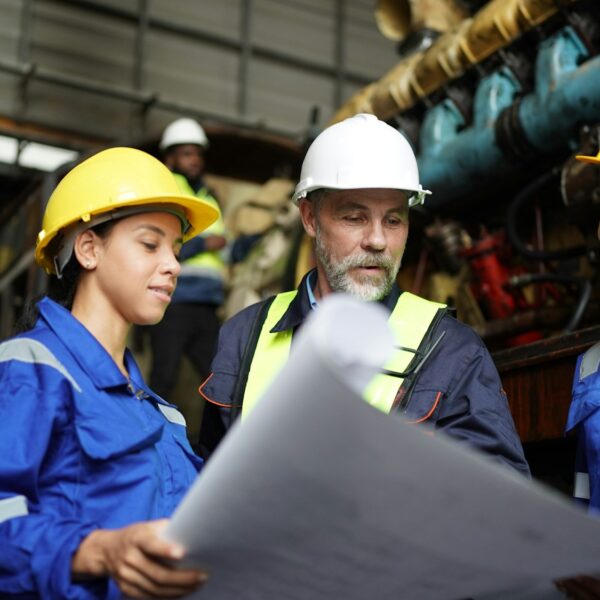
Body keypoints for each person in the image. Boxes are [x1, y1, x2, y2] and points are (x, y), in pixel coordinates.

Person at [198, 112, 530, 476]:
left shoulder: (452, 352)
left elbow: (493, 505)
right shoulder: (243, 337)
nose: (377, 241)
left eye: (393, 220)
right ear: (309, 217)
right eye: (354, 218)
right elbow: (206, 484)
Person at [0, 147, 219, 599]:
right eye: (149, 244)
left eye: (176, 250)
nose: (173, 264)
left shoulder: (165, 416)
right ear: (88, 248)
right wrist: (97, 551)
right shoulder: (30, 370)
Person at [148, 118, 227, 446]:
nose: (193, 159)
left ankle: (214, 445)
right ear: (170, 159)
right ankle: (149, 441)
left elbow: (224, 245)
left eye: (197, 153)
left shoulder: (209, 196)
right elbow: (157, 239)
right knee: (163, 375)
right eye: (185, 153)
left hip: (207, 304)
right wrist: (199, 245)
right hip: (174, 300)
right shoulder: (168, 190)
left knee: (217, 377)